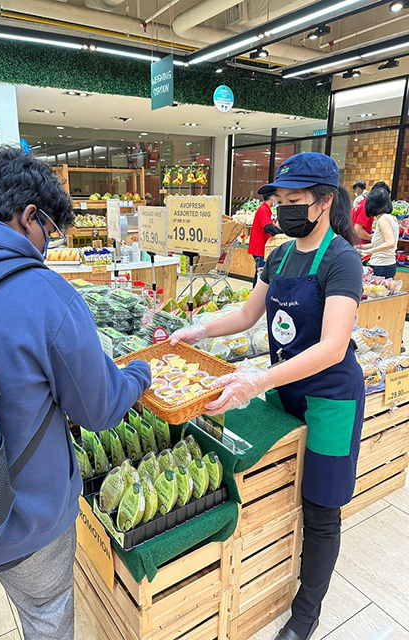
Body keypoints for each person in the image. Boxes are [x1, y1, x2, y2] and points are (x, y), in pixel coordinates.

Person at [0, 146, 151, 640]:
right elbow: (100, 409)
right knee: (47, 620)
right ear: (27, 216)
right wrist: (138, 374)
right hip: (29, 522)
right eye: (48, 230)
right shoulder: (43, 294)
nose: (47, 243)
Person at [171, 152, 364, 640]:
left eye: (294, 200)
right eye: (279, 200)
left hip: (329, 397)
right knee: (274, 482)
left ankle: (306, 614)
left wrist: (255, 382)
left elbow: (333, 346)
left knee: (321, 506)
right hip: (283, 391)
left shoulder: (343, 258)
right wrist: (199, 331)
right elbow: (247, 316)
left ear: (323, 203)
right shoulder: (278, 254)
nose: (283, 210)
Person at [358, 186, 399, 278]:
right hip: (388, 264)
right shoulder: (391, 218)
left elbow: (390, 243)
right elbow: (380, 243)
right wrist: (361, 248)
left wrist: (369, 251)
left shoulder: (383, 220)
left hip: (381, 265)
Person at [248, 190, 281, 286]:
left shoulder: (265, 209)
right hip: (260, 248)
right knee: (261, 275)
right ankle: (257, 296)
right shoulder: (263, 209)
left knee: (259, 273)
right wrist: (281, 232)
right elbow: (267, 227)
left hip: (261, 247)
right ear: (272, 198)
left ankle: (254, 295)